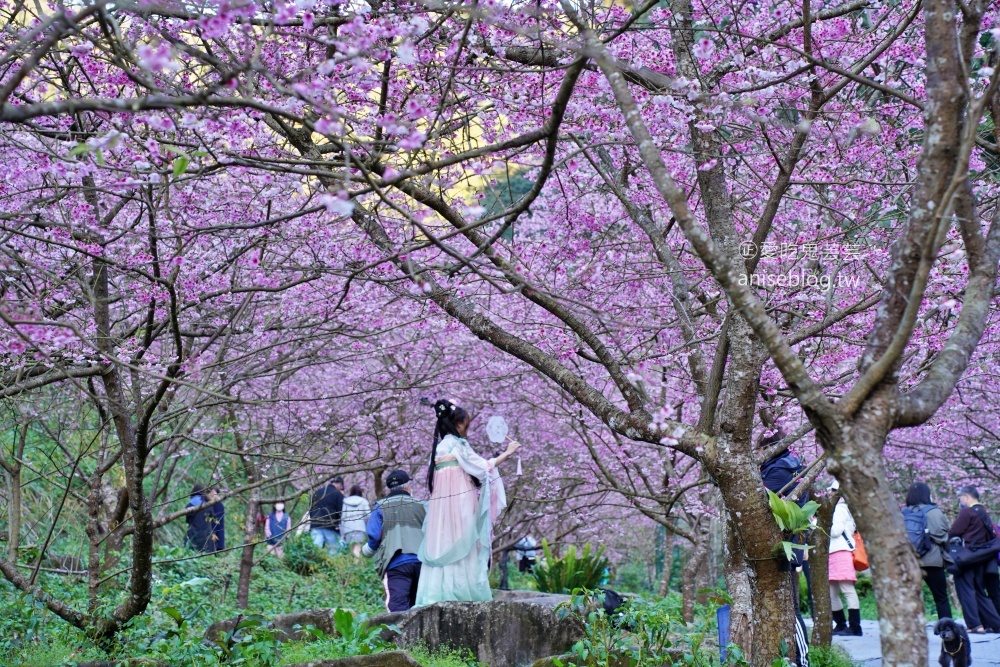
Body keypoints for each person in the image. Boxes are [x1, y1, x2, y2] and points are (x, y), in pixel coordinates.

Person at [414, 399, 520, 605]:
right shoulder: (459, 445)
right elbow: (484, 466)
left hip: (442, 505)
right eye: (466, 425)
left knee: (443, 539)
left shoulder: (439, 448)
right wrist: (508, 452)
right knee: (465, 538)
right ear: (459, 424)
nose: (467, 430)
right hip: (460, 498)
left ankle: (437, 592)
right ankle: (463, 591)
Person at [362, 470, 427, 611]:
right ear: (408, 486)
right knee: (421, 606)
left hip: (396, 563)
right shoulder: (422, 505)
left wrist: (367, 551)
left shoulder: (381, 506)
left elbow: (374, 536)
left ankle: (402, 633)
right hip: (423, 562)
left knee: (398, 608)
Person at [948, 485, 1000, 633]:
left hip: (968, 556)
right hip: (982, 558)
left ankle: (975, 625)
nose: (960, 501)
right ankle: (995, 623)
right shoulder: (984, 512)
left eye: (961, 498)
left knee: (966, 589)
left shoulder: (967, 512)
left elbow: (954, 531)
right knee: (978, 590)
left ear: (966, 497)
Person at [902, 482, 952, 620]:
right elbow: (943, 536)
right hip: (932, 560)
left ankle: (910, 628)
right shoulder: (934, 512)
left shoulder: (903, 513)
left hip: (910, 561)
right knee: (940, 597)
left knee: (909, 597)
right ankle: (947, 630)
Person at [829, 490, 862, 636]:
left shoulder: (840, 508)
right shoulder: (845, 508)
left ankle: (854, 626)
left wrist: (815, 523)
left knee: (846, 589)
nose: (829, 493)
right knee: (832, 592)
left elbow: (836, 531)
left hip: (840, 551)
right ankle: (841, 624)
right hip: (834, 552)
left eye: (833, 490)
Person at [310, 475, 345, 553]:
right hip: (330, 526)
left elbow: (310, 508)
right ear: (339, 484)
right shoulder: (338, 494)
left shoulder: (318, 492)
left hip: (315, 524)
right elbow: (341, 512)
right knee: (333, 552)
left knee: (316, 551)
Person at [341, 485, 372, 557]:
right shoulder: (363, 501)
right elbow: (369, 515)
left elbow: (343, 517)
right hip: (360, 528)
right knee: (358, 548)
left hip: (348, 529)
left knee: (351, 549)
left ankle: (353, 565)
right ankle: (357, 566)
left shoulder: (345, 501)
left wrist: (342, 533)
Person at [184, 484, 214, 552]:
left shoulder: (190, 504)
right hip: (206, 533)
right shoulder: (208, 504)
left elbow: (188, 520)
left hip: (193, 533)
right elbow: (212, 518)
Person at [207, 487, 226, 553]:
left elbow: (217, 521)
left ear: (217, 495)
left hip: (215, 531)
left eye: (213, 493)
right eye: (210, 493)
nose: (211, 495)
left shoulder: (218, 505)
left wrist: (213, 533)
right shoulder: (208, 504)